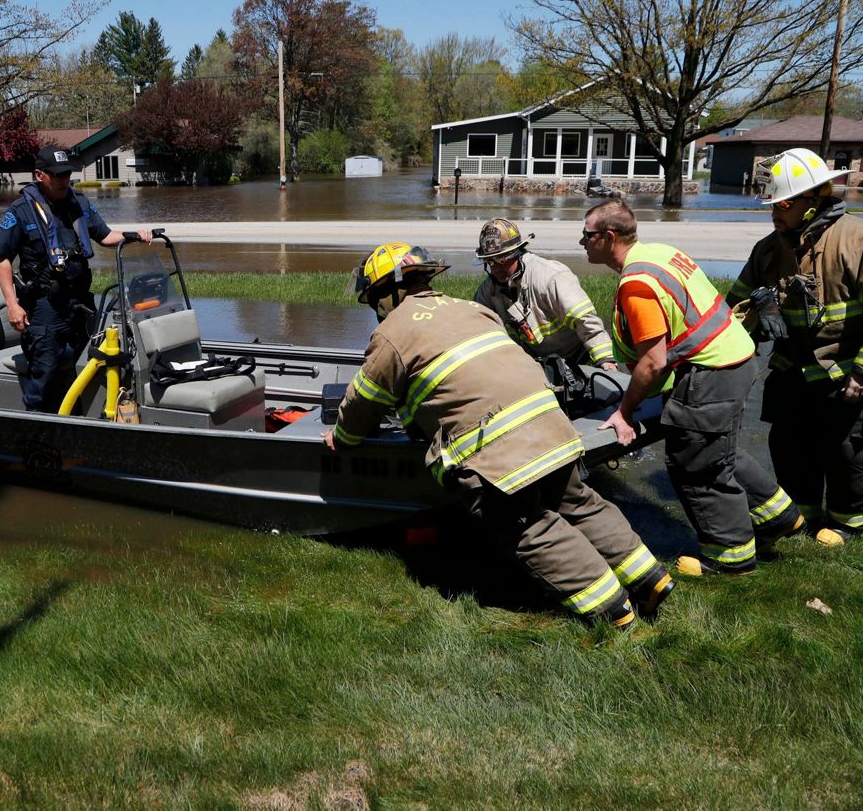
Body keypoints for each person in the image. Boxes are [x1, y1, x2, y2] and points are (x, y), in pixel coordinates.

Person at [323, 242, 673, 628]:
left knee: (528, 527)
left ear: (390, 293)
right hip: (551, 424)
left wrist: (342, 437)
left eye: (375, 298)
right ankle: (652, 580)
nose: (376, 309)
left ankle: (613, 613)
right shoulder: (470, 308)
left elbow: (364, 401)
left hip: (496, 449)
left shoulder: (392, 334)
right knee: (578, 501)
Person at [584, 201, 805, 576]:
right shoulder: (661, 253)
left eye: (587, 235)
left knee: (696, 463)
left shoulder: (637, 285)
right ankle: (780, 518)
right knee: (722, 449)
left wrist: (624, 412)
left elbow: (653, 362)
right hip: (737, 358)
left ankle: (728, 556)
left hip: (711, 373)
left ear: (608, 238)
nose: (582, 242)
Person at [726, 148, 863, 544]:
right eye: (773, 204)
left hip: (852, 372)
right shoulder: (770, 249)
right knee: (790, 447)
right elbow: (732, 308)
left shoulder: (862, 240)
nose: (776, 212)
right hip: (795, 371)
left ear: (816, 199)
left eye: (785, 203)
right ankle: (803, 518)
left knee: (850, 453)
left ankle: (848, 525)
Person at [0, 145, 154, 412]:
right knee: (44, 368)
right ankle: (33, 427)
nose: (64, 180)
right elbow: (3, 261)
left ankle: (86, 417)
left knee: (96, 358)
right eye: (57, 175)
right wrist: (12, 304)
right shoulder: (21, 210)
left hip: (80, 303)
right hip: (45, 307)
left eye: (67, 173)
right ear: (39, 175)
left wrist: (134, 234)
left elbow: (105, 236)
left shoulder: (79, 202)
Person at [473, 218, 617, 370]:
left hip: (579, 360)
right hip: (535, 365)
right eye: (490, 262)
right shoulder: (488, 291)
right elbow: (478, 331)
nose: (496, 269)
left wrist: (605, 360)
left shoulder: (550, 277)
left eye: (502, 260)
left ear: (516, 252)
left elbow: (586, 321)